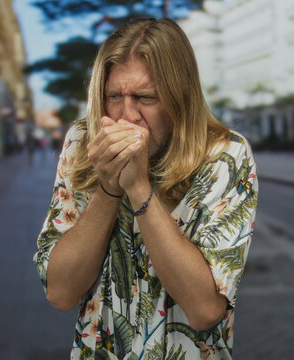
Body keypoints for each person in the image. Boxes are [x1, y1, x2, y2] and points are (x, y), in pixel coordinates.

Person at [34, 18, 258, 359]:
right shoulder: (83, 143)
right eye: (114, 96)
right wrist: (108, 188)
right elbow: (60, 293)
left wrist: (139, 189)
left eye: (145, 97)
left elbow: (204, 309)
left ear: (178, 98)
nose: (128, 115)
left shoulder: (226, 154)